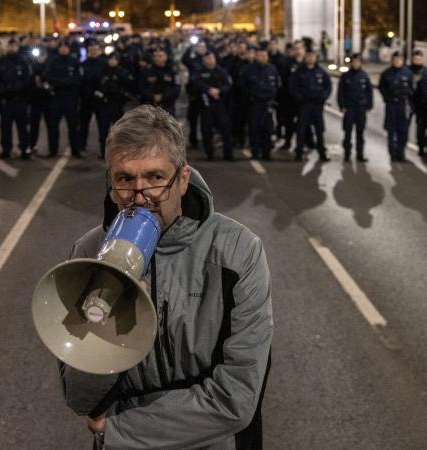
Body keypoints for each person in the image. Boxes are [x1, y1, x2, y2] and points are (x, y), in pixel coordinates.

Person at [59, 104, 273, 450]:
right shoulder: (88, 254)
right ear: (111, 185)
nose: (140, 197)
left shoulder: (237, 252)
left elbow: (236, 397)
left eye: (156, 177)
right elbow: (79, 395)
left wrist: (121, 429)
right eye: (125, 179)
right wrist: (108, 324)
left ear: (183, 179)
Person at [191, 52, 234, 161]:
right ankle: (209, 153)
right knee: (206, 130)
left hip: (220, 104)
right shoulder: (199, 72)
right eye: (207, 59)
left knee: (225, 130)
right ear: (203, 60)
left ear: (214, 58)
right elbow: (196, 83)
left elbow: (228, 85)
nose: (209, 60)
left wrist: (219, 91)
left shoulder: (221, 71)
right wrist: (208, 90)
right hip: (206, 105)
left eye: (211, 58)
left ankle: (228, 154)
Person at [290, 50, 331, 162]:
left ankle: (322, 152)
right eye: (308, 57)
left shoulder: (321, 72)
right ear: (305, 58)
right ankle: (299, 153)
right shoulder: (299, 72)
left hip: (317, 106)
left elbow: (328, 87)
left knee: (319, 130)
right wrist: (299, 98)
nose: (310, 59)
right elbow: (293, 87)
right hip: (304, 105)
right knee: (301, 130)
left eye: (312, 57)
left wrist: (323, 97)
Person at [240, 45, 280, 160]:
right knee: (254, 130)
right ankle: (255, 153)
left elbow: (276, 86)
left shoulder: (272, 69)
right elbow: (244, 88)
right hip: (254, 104)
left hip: (267, 104)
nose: (263, 57)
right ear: (256, 57)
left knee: (267, 130)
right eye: (260, 56)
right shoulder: (248, 70)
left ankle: (267, 153)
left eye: (265, 55)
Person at [91, 52, 133, 158]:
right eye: (111, 59)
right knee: (103, 131)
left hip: (117, 105)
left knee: (119, 132)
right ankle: (103, 153)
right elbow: (94, 86)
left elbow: (129, 85)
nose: (112, 61)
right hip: (103, 105)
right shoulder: (102, 71)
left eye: (115, 59)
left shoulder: (122, 72)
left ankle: (119, 154)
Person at [0, 38, 32, 159]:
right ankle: (6, 150)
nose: (12, 48)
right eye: (9, 46)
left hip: (20, 100)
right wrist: (3, 90)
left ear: (17, 47)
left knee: (22, 127)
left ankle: (24, 149)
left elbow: (27, 80)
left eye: (14, 46)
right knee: (5, 128)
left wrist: (17, 88)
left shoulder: (23, 61)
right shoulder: (2, 61)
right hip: (6, 101)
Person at [44, 40, 81, 158]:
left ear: (69, 49)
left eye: (66, 47)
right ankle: (53, 150)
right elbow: (48, 76)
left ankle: (75, 150)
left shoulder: (74, 62)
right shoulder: (52, 61)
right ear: (59, 48)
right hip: (56, 98)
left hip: (70, 98)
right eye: (62, 47)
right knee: (53, 126)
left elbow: (77, 78)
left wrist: (65, 83)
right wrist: (61, 83)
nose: (64, 49)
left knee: (73, 126)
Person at [337, 54, 373, 162]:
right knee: (347, 132)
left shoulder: (364, 76)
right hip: (349, 108)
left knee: (360, 133)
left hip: (360, 109)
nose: (356, 64)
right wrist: (342, 105)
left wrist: (369, 105)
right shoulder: (345, 76)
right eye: (354, 62)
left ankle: (360, 154)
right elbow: (340, 93)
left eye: (358, 62)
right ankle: (347, 154)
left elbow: (369, 92)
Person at [379, 51, 414, 162]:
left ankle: (401, 153)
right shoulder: (386, 73)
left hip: (403, 105)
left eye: (399, 60)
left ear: (402, 61)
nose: (397, 62)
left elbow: (412, 88)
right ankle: (392, 154)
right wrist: (387, 97)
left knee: (403, 131)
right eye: (395, 60)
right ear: (392, 61)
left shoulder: (408, 73)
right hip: (391, 105)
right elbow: (381, 87)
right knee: (391, 130)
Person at [79, 42, 108, 153]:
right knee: (84, 123)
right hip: (86, 98)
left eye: (95, 49)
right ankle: (82, 145)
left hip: (100, 99)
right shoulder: (83, 64)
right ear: (88, 51)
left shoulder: (104, 63)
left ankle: (103, 148)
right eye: (91, 50)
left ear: (99, 50)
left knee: (102, 125)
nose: (93, 51)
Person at [182, 40, 208, 148]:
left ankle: (206, 141)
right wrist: (190, 47)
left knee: (206, 120)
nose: (201, 49)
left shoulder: (208, 59)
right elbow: (184, 59)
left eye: (203, 47)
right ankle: (193, 141)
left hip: (206, 95)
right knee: (193, 119)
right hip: (194, 94)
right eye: (199, 47)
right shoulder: (193, 60)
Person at [138, 48, 179, 117]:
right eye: (155, 56)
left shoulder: (173, 71)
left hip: (168, 106)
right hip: (151, 106)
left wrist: (163, 96)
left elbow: (177, 88)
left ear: (166, 57)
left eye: (160, 56)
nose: (157, 58)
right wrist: (152, 96)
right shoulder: (148, 71)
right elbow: (141, 87)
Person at [408, 49, 427, 156]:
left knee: (422, 126)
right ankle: (401, 147)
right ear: (412, 59)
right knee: (404, 125)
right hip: (409, 101)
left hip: (422, 103)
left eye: (419, 59)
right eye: (415, 59)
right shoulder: (406, 70)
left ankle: (421, 147)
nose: (417, 61)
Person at [29, 47, 50, 154]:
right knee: (34, 125)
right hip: (35, 100)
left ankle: (52, 148)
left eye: (43, 56)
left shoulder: (49, 67)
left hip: (47, 100)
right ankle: (32, 145)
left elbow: (51, 81)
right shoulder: (32, 67)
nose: (41, 58)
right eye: (39, 56)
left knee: (51, 125)